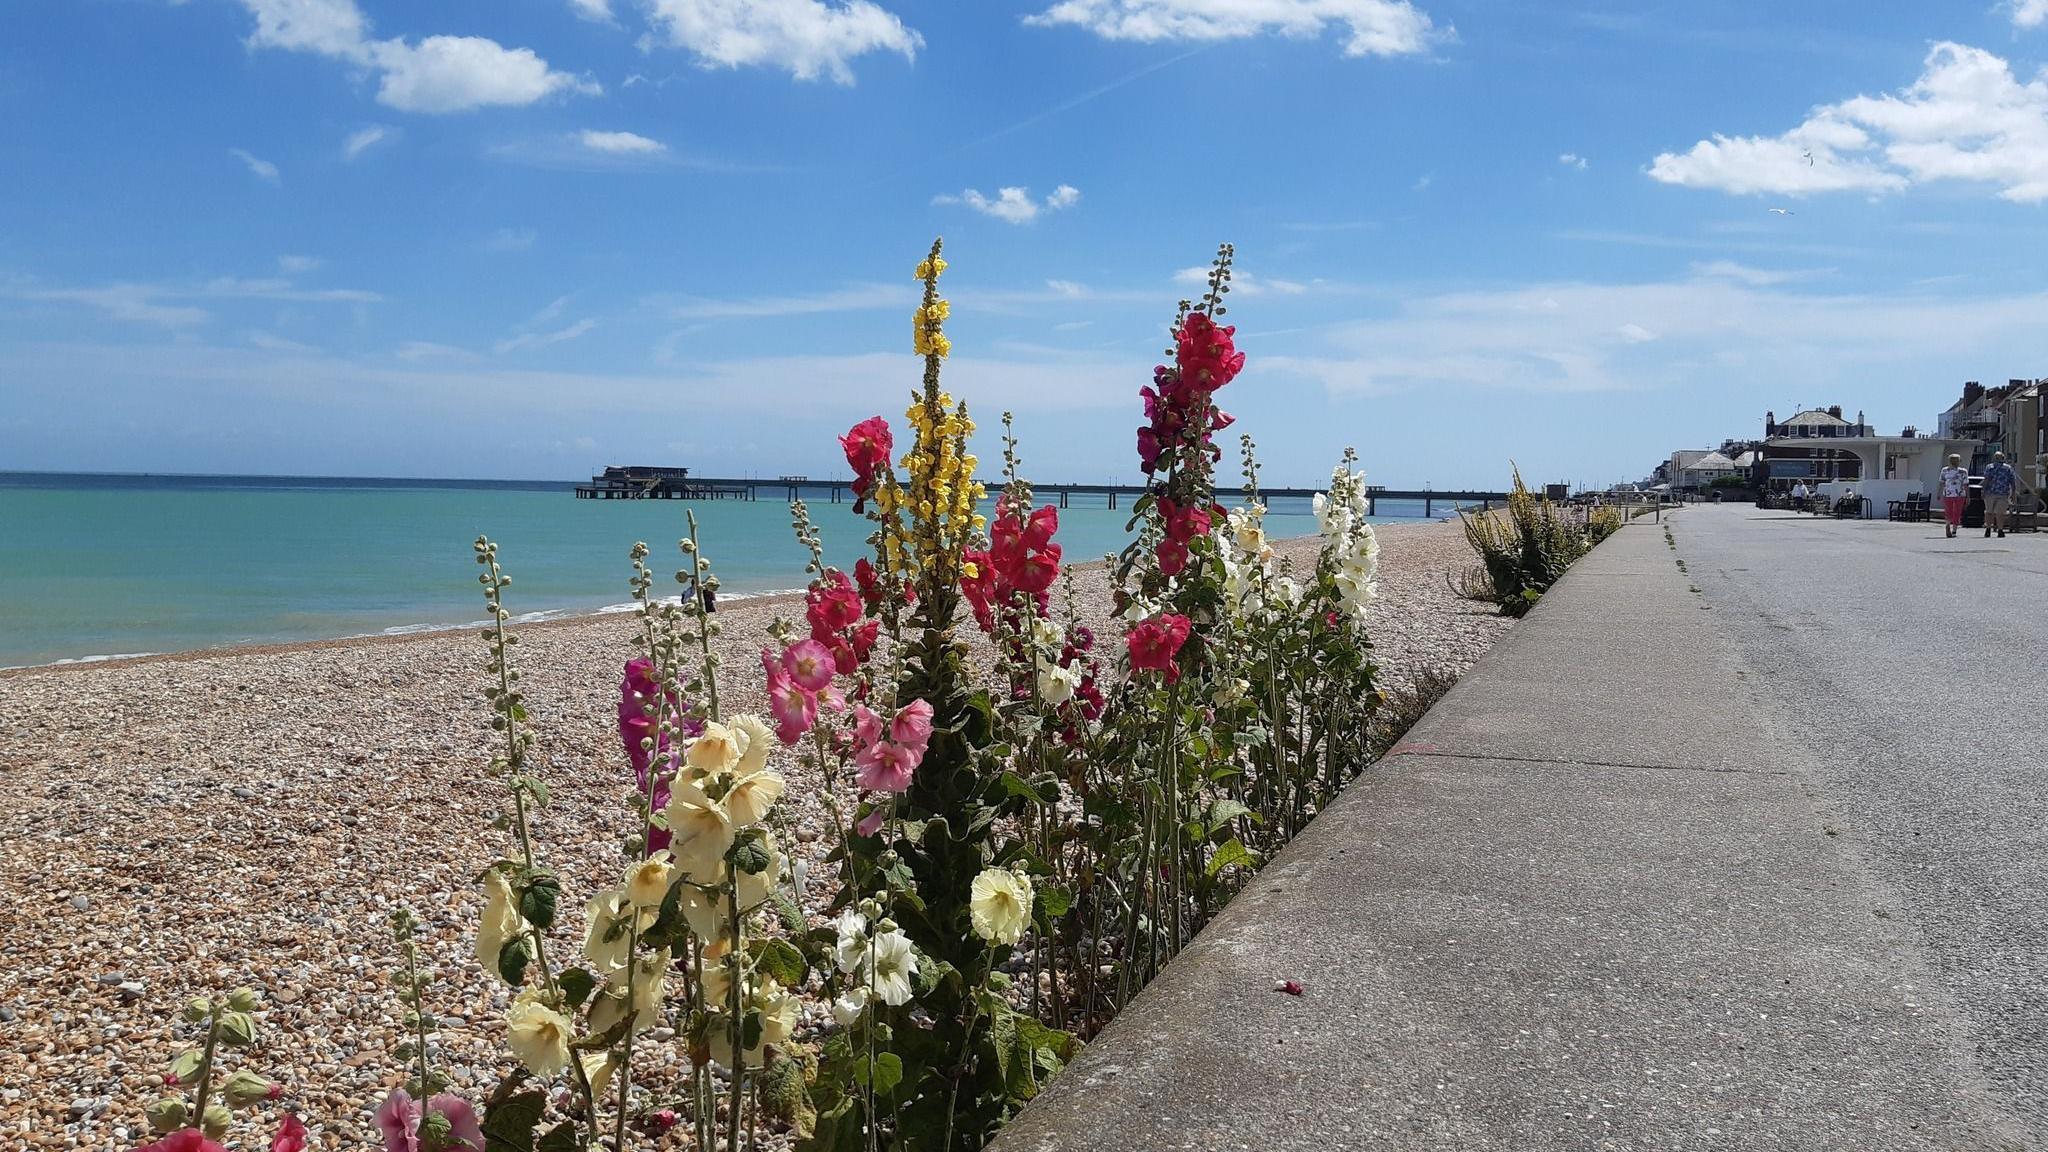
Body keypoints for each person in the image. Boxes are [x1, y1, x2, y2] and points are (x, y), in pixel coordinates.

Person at [1984, 450, 2017, 538]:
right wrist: (2013, 493)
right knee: (2000, 513)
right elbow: (2012, 482)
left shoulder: (1989, 467)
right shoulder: (2008, 468)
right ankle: (2000, 530)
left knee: (1989, 512)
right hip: (2003, 493)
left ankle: (1988, 529)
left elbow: (1986, 480)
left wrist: (1983, 491)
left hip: (1990, 492)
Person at [1939, 453, 1969, 539]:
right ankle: (1954, 530)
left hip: (1948, 493)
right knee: (1957, 511)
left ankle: (1948, 524)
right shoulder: (1963, 471)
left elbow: (1941, 483)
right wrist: (1968, 496)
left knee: (1949, 511)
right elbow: (1966, 484)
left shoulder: (1945, 470)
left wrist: (1939, 493)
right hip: (1959, 494)